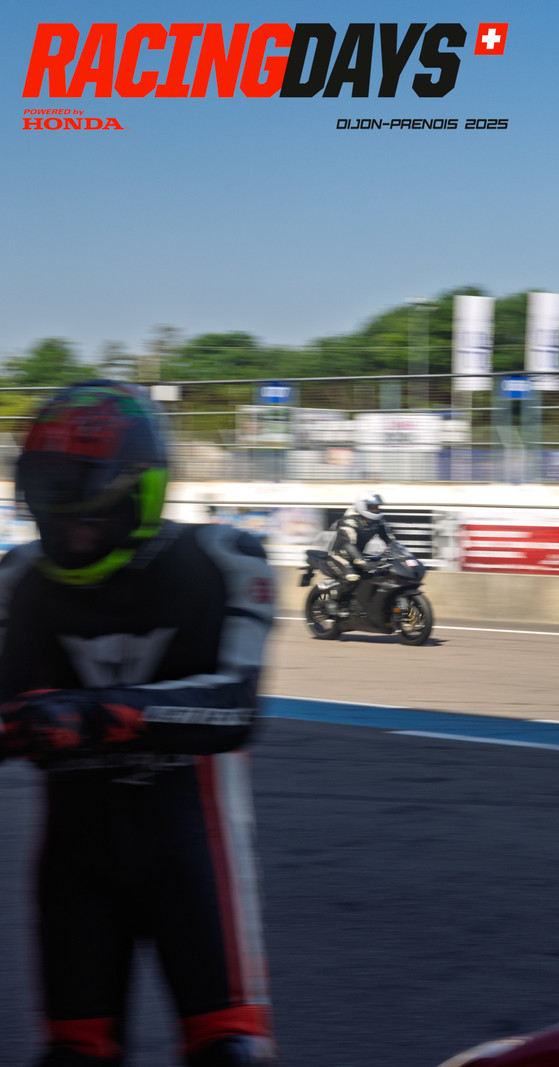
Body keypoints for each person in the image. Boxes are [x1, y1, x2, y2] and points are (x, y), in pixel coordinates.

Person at [0, 381, 278, 1067]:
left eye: (87, 516)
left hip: (194, 855)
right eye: (52, 513)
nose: (70, 534)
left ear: (140, 493)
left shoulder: (224, 559)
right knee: (73, 1054)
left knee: (229, 1050)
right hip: (74, 865)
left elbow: (235, 707)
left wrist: (93, 714)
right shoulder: (18, 578)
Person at [327, 492, 401, 615]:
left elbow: (389, 540)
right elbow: (349, 544)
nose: (376, 510)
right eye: (372, 507)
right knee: (352, 577)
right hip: (339, 556)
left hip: (359, 555)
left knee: (381, 574)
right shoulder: (349, 521)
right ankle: (334, 601)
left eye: (377, 507)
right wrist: (361, 562)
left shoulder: (378, 522)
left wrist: (400, 555)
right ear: (362, 507)